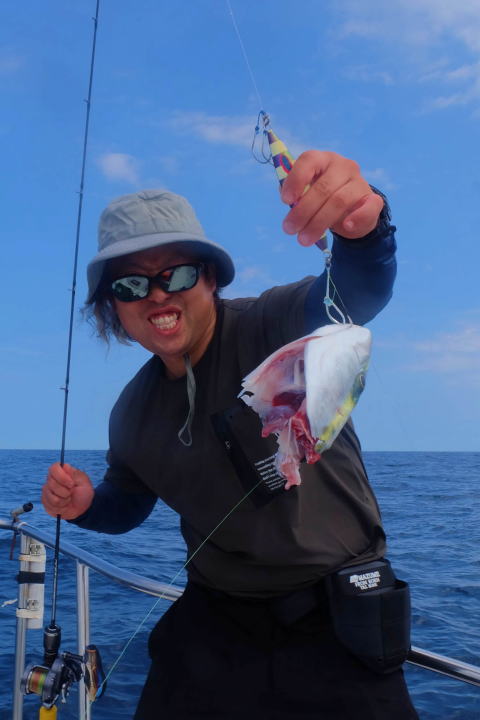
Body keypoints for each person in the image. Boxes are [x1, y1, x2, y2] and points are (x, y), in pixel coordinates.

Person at [42, 150, 418, 719]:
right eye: (131, 284)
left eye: (178, 274)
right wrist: (87, 505)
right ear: (113, 306)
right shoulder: (131, 412)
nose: (158, 294)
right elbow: (129, 501)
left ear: (210, 278)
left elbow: (356, 290)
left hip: (338, 617)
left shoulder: (274, 323)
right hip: (216, 617)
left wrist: (364, 228)